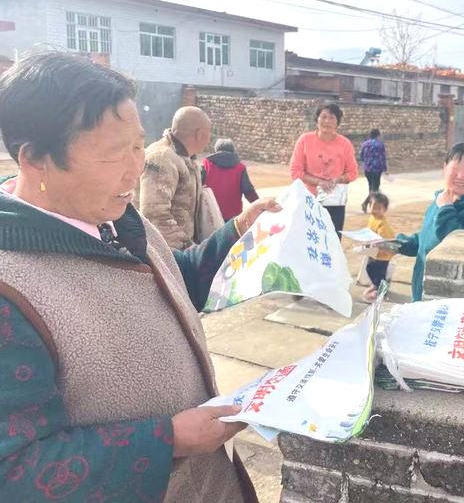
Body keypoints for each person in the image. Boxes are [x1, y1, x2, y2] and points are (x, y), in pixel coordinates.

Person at [0, 52, 282, 501]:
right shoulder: (11, 286)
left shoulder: (117, 218)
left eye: (138, 145)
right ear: (35, 159)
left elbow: (172, 282)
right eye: (115, 155)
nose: (137, 168)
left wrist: (237, 230)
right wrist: (168, 439)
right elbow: (15, 471)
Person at [397, 143, 464, 302]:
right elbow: (426, 239)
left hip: (448, 297)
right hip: (422, 290)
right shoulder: (442, 199)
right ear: (444, 168)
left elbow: (457, 248)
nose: (461, 176)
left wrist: (446, 208)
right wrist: (397, 244)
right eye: (455, 169)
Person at [135, 105, 212, 249]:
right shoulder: (162, 158)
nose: (209, 140)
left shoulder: (184, 158)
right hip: (167, 254)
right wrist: (190, 252)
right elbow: (154, 216)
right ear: (200, 134)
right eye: (209, 134)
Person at [290, 103, 358, 238]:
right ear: (317, 120)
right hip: (309, 200)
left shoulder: (345, 144)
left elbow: (353, 173)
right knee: (310, 240)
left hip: (335, 202)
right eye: (323, 117)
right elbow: (295, 171)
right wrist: (319, 182)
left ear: (337, 122)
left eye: (332, 118)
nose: (327, 121)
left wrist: (337, 180)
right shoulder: (305, 140)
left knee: (332, 241)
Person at [201, 138, 259, 221]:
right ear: (233, 151)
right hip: (232, 218)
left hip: (210, 215)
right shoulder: (240, 168)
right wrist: (259, 207)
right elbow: (249, 192)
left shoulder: (206, 165)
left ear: (216, 150)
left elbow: (197, 188)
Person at [362, 191, 395, 303]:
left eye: (379, 208)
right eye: (373, 207)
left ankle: (382, 292)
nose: (375, 210)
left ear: (385, 210)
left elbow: (383, 241)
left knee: (379, 273)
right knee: (370, 268)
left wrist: (374, 244)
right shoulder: (372, 218)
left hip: (383, 254)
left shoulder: (383, 224)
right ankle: (376, 285)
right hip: (374, 252)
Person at [359, 128, 388, 213]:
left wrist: (366, 163)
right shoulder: (380, 144)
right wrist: (385, 169)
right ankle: (365, 203)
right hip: (376, 169)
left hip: (367, 169)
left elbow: (361, 156)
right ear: (378, 135)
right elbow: (382, 158)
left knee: (371, 188)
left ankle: (372, 205)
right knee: (375, 189)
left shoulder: (365, 144)